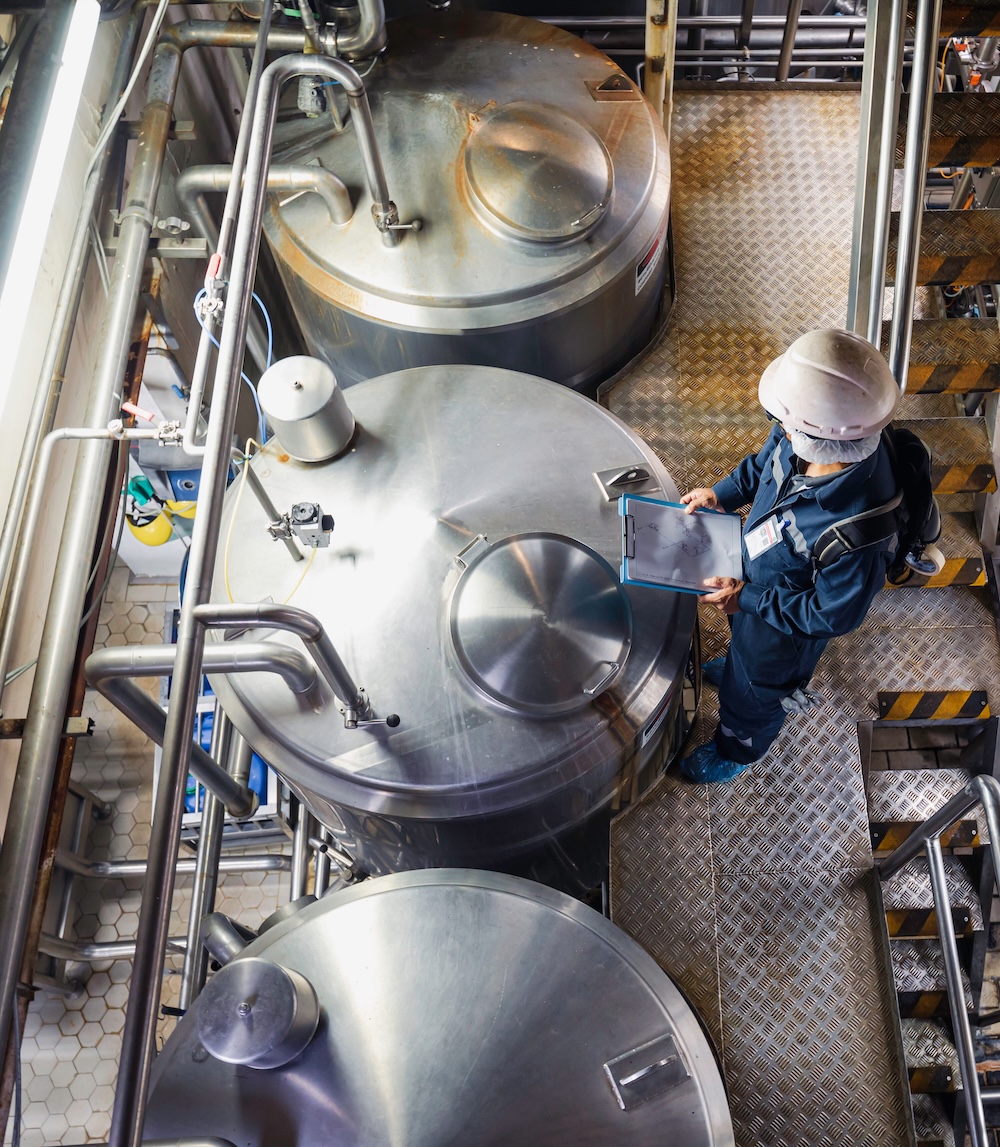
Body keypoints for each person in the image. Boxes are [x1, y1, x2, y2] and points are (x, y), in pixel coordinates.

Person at [678, 328, 901, 784]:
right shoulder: (800, 433)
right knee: (742, 649)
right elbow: (761, 468)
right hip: (754, 589)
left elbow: (829, 615)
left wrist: (750, 600)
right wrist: (721, 496)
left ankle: (737, 748)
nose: (777, 425)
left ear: (823, 436)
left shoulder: (858, 531)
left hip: (781, 635)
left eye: (783, 420)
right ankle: (738, 665)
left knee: (755, 693)